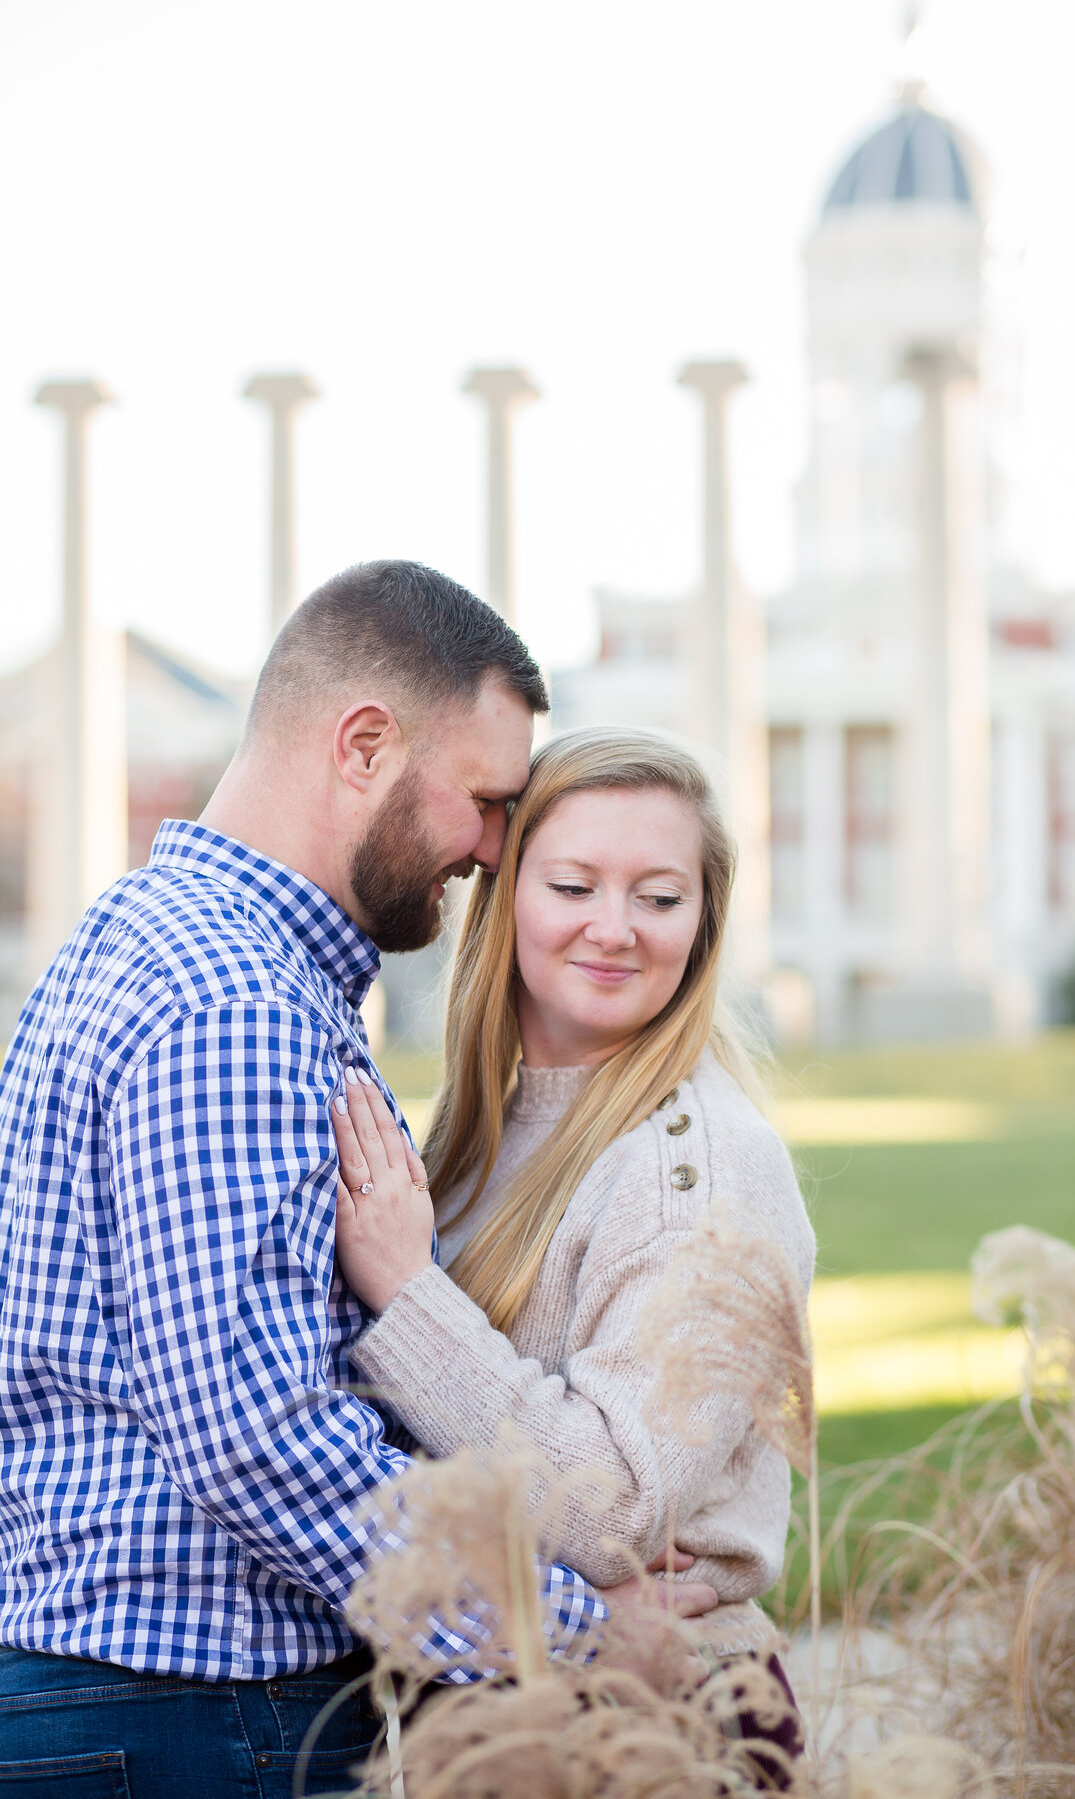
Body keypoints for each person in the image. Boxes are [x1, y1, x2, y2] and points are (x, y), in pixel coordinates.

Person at [0, 565, 716, 1798]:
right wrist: (575, 1633)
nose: (496, 851)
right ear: (366, 744)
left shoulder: (139, 942)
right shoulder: (231, 1003)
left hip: (138, 1708)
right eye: (487, 801)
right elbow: (257, 1436)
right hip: (202, 1716)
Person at [333, 727, 816, 1737]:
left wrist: (407, 1292)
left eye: (660, 895)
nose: (616, 926)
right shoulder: (481, 1131)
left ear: (703, 923)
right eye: (574, 885)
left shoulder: (697, 1164)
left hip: (658, 1711)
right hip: (514, 1703)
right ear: (505, 899)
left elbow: (617, 1508)